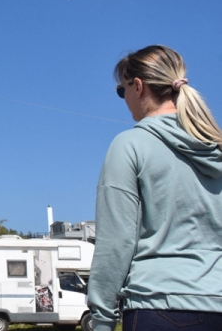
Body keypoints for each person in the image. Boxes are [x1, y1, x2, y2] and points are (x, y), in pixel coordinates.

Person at [88, 45, 222, 331]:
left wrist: (102, 319)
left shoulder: (130, 145)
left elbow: (116, 241)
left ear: (138, 86)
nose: (123, 98)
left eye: (121, 90)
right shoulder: (216, 148)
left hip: (159, 305)